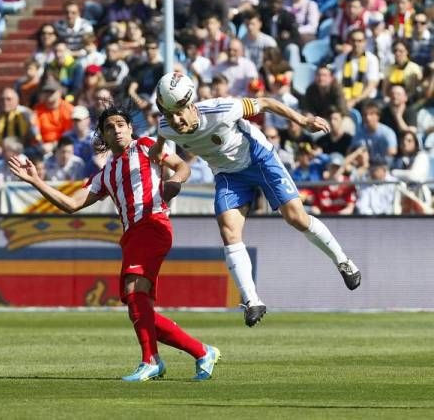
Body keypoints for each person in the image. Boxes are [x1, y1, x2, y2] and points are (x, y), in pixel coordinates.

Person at [7, 104, 221, 382]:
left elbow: (181, 166)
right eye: (110, 127)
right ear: (103, 137)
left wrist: (175, 184)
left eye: (121, 124)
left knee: (134, 290)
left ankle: (151, 360)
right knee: (137, 306)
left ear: (130, 128)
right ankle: (202, 351)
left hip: (153, 225)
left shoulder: (145, 146)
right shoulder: (107, 172)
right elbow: (71, 204)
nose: (117, 130)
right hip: (132, 234)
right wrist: (35, 180)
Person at [151, 72, 361, 327]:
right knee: (229, 231)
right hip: (228, 174)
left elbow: (266, 102)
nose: (175, 120)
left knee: (296, 217)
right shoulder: (165, 126)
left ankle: (343, 261)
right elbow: (159, 146)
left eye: (179, 111)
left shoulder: (222, 109)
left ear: (191, 104)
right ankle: (252, 301)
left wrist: (303, 120)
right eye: (168, 113)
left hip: (259, 159)